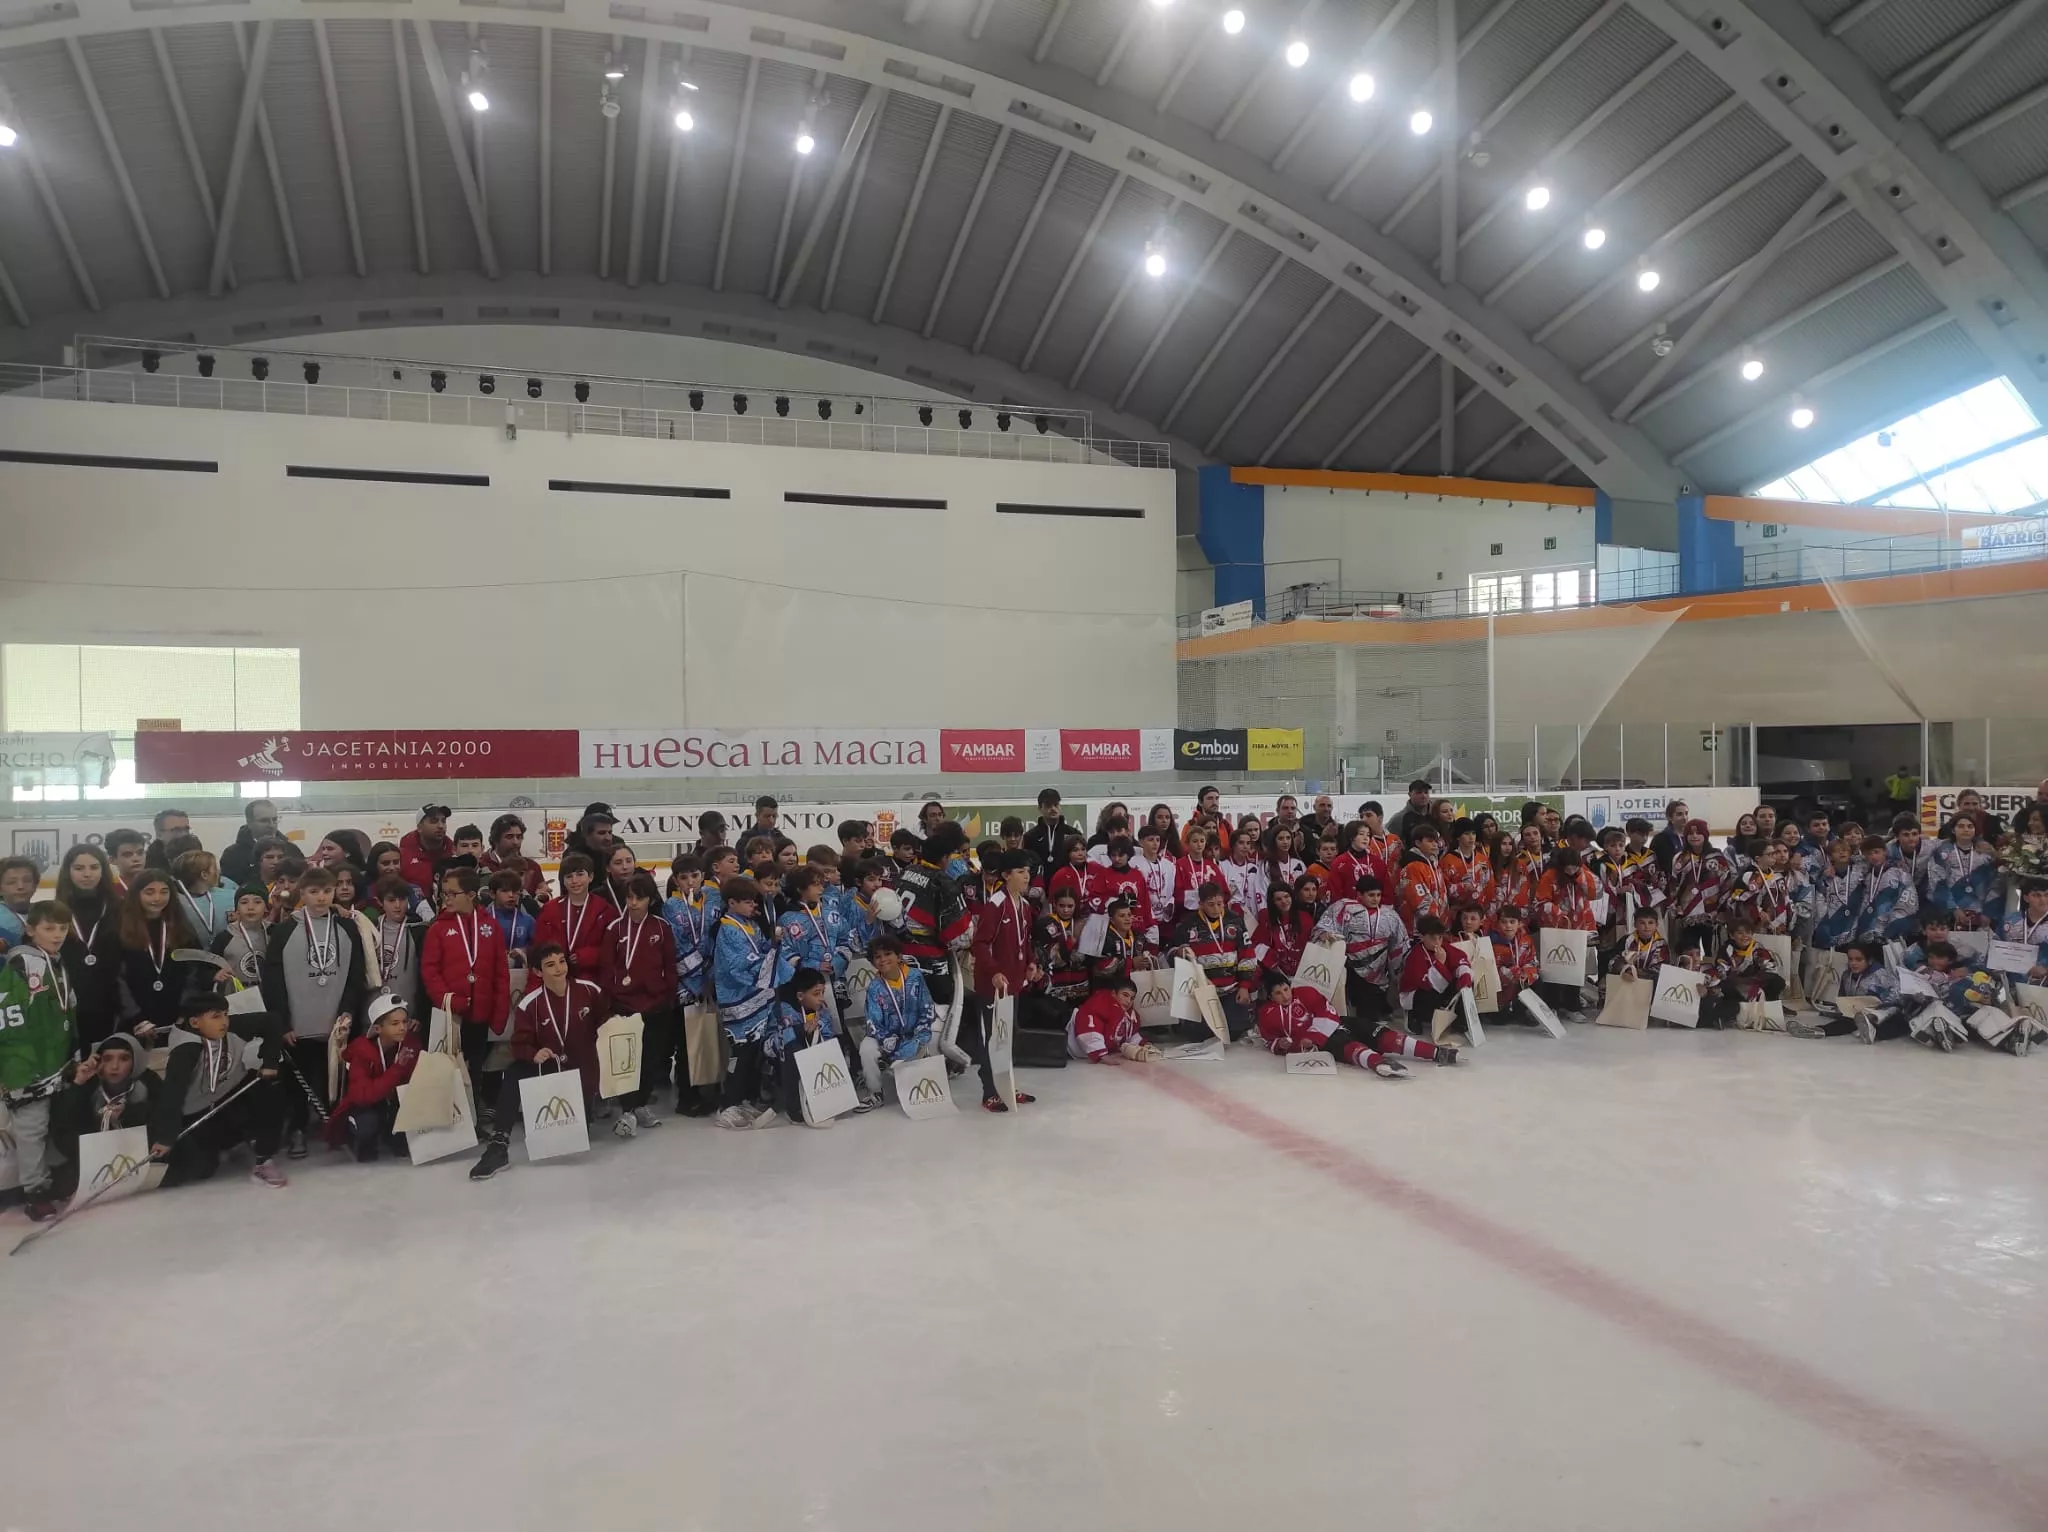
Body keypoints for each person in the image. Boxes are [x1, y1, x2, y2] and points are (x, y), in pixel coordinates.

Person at [469, 942, 608, 1179]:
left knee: (575, 1133)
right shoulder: (529, 1004)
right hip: (550, 1071)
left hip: (581, 1075)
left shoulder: (590, 991)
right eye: (550, 965)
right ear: (537, 972)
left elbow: (608, 1023)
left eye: (562, 962)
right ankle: (499, 1144)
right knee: (514, 1072)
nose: (558, 969)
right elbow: (518, 1044)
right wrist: (533, 1053)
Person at [260, 866, 368, 1158]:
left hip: (336, 1021)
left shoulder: (347, 927)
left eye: (327, 891)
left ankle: (339, 1126)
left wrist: (347, 1011)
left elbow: (356, 974)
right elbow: (272, 980)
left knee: (337, 1078)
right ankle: (297, 1129)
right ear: (302, 894)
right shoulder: (284, 930)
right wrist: (282, 1022)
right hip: (299, 1021)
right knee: (298, 1082)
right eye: (314, 892)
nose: (321, 898)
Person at [150, 991, 288, 1188]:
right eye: (216, 1016)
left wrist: (270, 1060)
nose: (224, 1021)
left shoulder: (232, 1026)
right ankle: (228, 1141)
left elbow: (272, 1021)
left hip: (232, 1089)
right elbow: (172, 1095)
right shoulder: (184, 1051)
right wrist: (165, 1137)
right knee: (203, 1169)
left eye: (225, 1014)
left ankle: (263, 1159)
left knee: (269, 1089)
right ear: (195, 1023)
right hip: (196, 1109)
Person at [1, 901, 80, 1219]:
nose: (58, 934)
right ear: (31, 930)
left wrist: (72, 1054)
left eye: (63, 928)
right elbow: (11, 1017)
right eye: (49, 928)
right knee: (31, 1129)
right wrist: (21, 1063)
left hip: (55, 1062)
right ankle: (35, 1193)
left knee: (49, 1125)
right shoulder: (22, 965)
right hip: (28, 1066)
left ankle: (53, 1181)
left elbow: (65, 1012)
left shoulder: (55, 962)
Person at [420, 864, 509, 1121]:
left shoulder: (490, 927)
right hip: (451, 1017)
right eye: (444, 893)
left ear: (470, 895)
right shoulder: (438, 929)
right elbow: (430, 972)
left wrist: (500, 1010)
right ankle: (452, 1118)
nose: (445, 898)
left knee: (476, 1068)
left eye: (452, 893)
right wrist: (449, 1000)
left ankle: (475, 1115)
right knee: (451, 1069)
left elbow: (500, 972)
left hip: (480, 1013)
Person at [598, 872, 675, 1136]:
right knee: (627, 1060)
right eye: (629, 897)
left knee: (650, 1059)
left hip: (655, 1006)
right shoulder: (614, 929)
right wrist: (610, 1003)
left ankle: (641, 1104)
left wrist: (667, 997)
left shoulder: (661, 928)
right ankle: (627, 1109)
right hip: (624, 1007)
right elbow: (607, 969)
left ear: (650, 899)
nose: (632, 903)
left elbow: (670, 967)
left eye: (639, 898)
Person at [713, 876, 792, 1127]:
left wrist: (774, 944)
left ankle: (745, 1098)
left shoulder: (749, 925)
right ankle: (728, 1104)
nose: (752, 907)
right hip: (738, 1000)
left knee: (753, 1055)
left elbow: (760, 951)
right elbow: (739, 966)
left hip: (757, 1000)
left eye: (753, 902)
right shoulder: (727, 928)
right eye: (747, 902)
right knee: (740, 1053)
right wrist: (767, 959)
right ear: (731, 902)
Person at [968, 850, 1041, 1112]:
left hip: (1014, 984)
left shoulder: (1023, 905)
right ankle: (989, 1091)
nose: (1026, 876)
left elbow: (1026, 940)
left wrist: (1031, 962)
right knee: (991, 1040)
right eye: (1021, 872)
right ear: (1006, 875)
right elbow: (979, 944)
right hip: (992, 987)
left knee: (1008, 1038)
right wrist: (995, 971)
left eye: (1028, 871)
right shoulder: (996, 905)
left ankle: (1006, 1085)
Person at [1256, 973, 1428, 1076]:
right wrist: (1281, 1044)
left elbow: (1326, 1012)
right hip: (1323, 1043)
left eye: (1286, 989)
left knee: (1376, 1031)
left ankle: (1436, 1052)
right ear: (1271, 997)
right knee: (1348, 1046)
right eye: (1278, 993)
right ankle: (1380, 1063)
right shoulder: (1267, 1014)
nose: (1285, 996)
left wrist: (1312, 1036)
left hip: (1334, 1024)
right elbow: (1269, 1040)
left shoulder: (1305, 992)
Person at [325, 994, 420, 1162]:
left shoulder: (410, 1045)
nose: (402, 1028)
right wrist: (397, 1068)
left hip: (395, 1103)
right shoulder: (362, 1052)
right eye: (395, 1024)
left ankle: (393, 1136)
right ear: (378, 1029)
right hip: (367, 1106)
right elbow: (363, 1096)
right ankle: (358, 1136)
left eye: (405, 1022)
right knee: (367, 1124)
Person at [116, 869, 202, 1042]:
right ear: (136, 895)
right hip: (134, 1021)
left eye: (164, 892)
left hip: (176, 1020)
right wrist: (136, 1018)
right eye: (150, 892)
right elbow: (116, 978)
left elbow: (193, 972)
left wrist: (185, 1011)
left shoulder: (181, 927)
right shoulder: (120, 928)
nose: (157, 898)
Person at [54, 844, 124, 1049]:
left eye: (94, 867)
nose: (87, 874)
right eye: (79, 868)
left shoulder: (118, 909)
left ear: (104, 870)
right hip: (70, 1003)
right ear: (68, 872)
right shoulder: (56, 911)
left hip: (112, 1002)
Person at [1313, 879, 1407, 1026]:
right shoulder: (1344, 907)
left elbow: (1399, 942)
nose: (1375, 899)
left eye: (1378, 895)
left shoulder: (1390, 915)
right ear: (1359, 894)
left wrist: (1397, 968)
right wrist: (1324, 933)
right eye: (1371, 895)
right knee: (1357, 1010)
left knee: (1373, 1013)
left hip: (1379, 969)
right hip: (1351, 965)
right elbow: (1325, 925)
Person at [1171, 881, 1256, 1040]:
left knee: (1235, 1030)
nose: (1216, 909)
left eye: (1219, 904)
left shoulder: (1235, 920)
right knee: (1198, 1035)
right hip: (1202, 990)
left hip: (1231, 988)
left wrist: (1244, 987)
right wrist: (1179, 952)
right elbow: (1171, 954)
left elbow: (1247, 953)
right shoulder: (1187, 924)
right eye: (1211, 905)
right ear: (1201, 904)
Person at [860, 935, 940, 1100]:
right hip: (889, 1038)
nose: (883, 960)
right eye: (877, 957)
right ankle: (875, 1092)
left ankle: (933, 1081)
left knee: (936, 1032)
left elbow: (927, 1008)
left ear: (899, 956)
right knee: (866, 1048)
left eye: (888, 954)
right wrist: (890, 1042)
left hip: (915, 1032)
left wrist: (919, 1035)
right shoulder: (874, 987)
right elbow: (873, 1022)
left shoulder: (915, 976)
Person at [767, 968, 843, 1127]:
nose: (821, 998)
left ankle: (826, 1099)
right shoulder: (784, 1010)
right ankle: (793, 1109)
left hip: (811, 1061)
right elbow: (777, 1041)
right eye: (816, 994)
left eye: (823, 992)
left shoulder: (823, 1011)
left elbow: (828, 1038)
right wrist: (800, 1031)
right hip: (778, 1059)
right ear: (801, 996)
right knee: (794, 1049)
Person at [533, 852, 617, 983]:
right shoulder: (550, 910)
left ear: (591, 877)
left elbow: (613, 949)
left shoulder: (605, 911)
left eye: (580, 874)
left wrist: (588, 956)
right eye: (569, 876)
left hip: (592, 982)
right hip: (556, 981)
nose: (574, 881)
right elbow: (538, 949)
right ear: (563, 881)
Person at [1398, 915, 1472, 1039]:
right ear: (1422, 937)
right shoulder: (1415, 957)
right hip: (1419, 995)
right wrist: (1440, 964)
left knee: (1464, 983)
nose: (1438, 942)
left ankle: (1461, 1020)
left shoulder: (1445, 948)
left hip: (1439, 990)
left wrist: (1464, 978)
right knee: (1430, 995)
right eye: (1433, 938)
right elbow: (1428, 985)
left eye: (1440, 937)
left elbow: (1461, 961)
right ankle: (1413, 1015)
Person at [1701, 916, 1783, 1028]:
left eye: (1748, 932)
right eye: (1740, 933)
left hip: (1754, 985)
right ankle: (1721, 1016)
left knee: (1777, 981)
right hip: (1735, 987)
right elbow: (1722, 971)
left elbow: (1770, 969)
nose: (1745, 936)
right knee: (1726, 986)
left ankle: (1769, 1009)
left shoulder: (1757, 948)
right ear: (1732, 935)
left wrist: (1752, 981)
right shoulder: (1726, 949)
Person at [1924, 812, 1997, 931]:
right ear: (1953, 830)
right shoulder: (1942, 852)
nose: (1966, 829)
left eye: (1970, 826)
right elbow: (1937, 881)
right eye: (1961, 826)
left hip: (1980, 910)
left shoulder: (1985, 853)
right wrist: (1953, 908)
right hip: (1950, 910)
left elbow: (1994, 884)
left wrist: (1988, 911)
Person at [1668, 820, 1732, 954]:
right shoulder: (1680, 858)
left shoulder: (1717, 857)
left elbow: (1726, 883)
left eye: (1698, 832)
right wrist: (1675, 905)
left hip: (1711, 914)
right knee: (1689, 952)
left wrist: (1723, 910)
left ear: (1706, 835)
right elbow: (1673, 884)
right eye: (1690, 833)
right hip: (1686, 914)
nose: (1694, 836)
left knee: (1712, 952)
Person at [1066, 973, 1157, 1064]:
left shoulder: (1130, 1015)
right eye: (1125, 995)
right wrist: (1101, 1055)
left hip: (1089, 1057)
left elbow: (1130, 1035)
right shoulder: (1099, 1005)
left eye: (1132, 998)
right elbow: (1089, 1028)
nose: (1129, 1001)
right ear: (1114, 993)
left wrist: (1143, 1044)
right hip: (1070, 1049)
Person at [1850, 836, 1919, 943]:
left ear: (1885, 851)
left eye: (1876, 852)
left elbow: (1907, 902)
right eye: (1869, 854)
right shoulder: (1867, 875)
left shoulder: (1899, 872)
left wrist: (1890, 928)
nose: (1873, 856)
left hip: (1892, 928)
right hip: (1870, 929)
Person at [1251, 883, 1313, 990]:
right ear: (1273, 902)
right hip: (1279, 974)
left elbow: (1314, 941)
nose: (1284, 901)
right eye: (1279, 899)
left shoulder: (1305, 917)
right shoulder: (1268, 921)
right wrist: (1271, 959)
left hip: (1305, 971)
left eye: (1286, 896)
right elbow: (1256, 944)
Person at [1396, 823, 1451, 933]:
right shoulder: (1413, 867)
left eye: (1436, 841)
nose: (1435, 844)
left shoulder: (1434, 863)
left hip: (1438, 926)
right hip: (1420, 929)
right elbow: (1421, 902)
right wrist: (1436, 925)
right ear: (1417, 843)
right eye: (1430, 841)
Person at [482, 814, 548, 900]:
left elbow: (542, 902)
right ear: (495, 839)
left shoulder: (532, 867)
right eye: (509, 837)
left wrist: (543, 896)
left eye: (519, 837)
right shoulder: (482, 865)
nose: (515, 842)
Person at [1489, 905, 1540, 1012]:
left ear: (1520, 923)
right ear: (1497, 923)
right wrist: (1512, 973)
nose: (1508, 926)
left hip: (1520, 982)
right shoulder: (1491, 942)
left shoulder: (1526, 940)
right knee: (1500, 1021)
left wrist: (1526, 974)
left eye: (1512, 922)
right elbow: (1490, 969)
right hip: (1501, 985)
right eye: (1504, 922)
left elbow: (1532, 961)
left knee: (1539, 981)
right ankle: (1504, 1008)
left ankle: (1525, 1010)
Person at [219, 800, 280, 888]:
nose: (271, 825)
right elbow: (229, 890)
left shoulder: (291, 849)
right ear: (250, 823)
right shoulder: (232, 855)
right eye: (264, 821)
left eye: (274, 819)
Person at [1996, 880, 2048, 983]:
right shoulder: (2009, 921)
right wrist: (1996, 966)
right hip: (2011, 982)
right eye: (2037, 895)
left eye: (2047, 895)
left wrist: (2046, 970)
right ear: (2026, 898)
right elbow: (1996, 948)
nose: (2043, 900)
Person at [1023, 788, 1080, 880]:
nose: (1053, 808)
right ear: (1039, 808)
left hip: (1067, 884)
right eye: (1048, 805)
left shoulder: (1073, 834)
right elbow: (1028, 866)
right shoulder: (1030, 836)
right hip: (1038, 888)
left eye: (1056, 804)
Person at [1608, 908, 1671, 979]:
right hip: (1626, 979)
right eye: (1642, 923)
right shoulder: (1627, 940)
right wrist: (1624, 968)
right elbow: (1612, 962)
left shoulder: (1661, 944)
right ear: (1635, 924)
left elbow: (1661, 969)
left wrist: (1636, 973)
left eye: (1650, 923)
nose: (1647, 926)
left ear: (1656, 924)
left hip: (1650, 984)